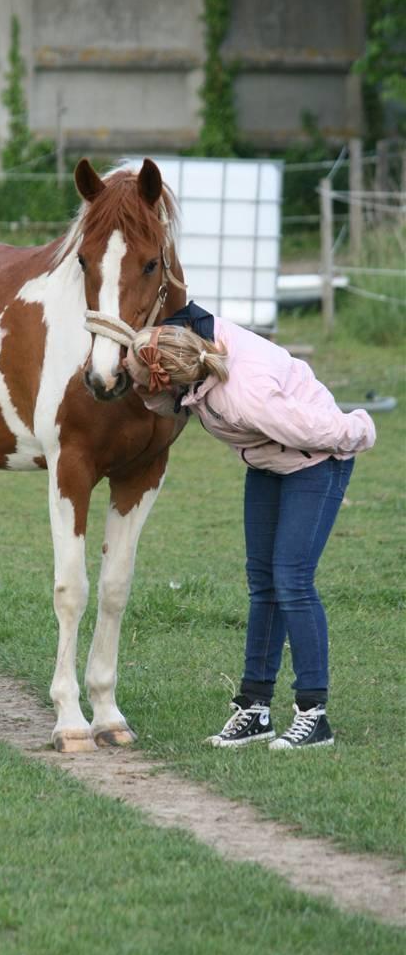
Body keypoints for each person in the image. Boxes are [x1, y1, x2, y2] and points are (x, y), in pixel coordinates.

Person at [125, 302, 376, 750]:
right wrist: (137, 371)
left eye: (139, 372)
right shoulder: (188, 356)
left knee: (292, 580)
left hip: (317, 460)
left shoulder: (247, 397)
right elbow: (169, 401)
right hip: (267, 460)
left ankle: (313, 715)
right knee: (263, 583)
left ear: (170, 374)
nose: (130, 374)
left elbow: (316, 429)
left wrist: (359, 429)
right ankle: (255, 709)